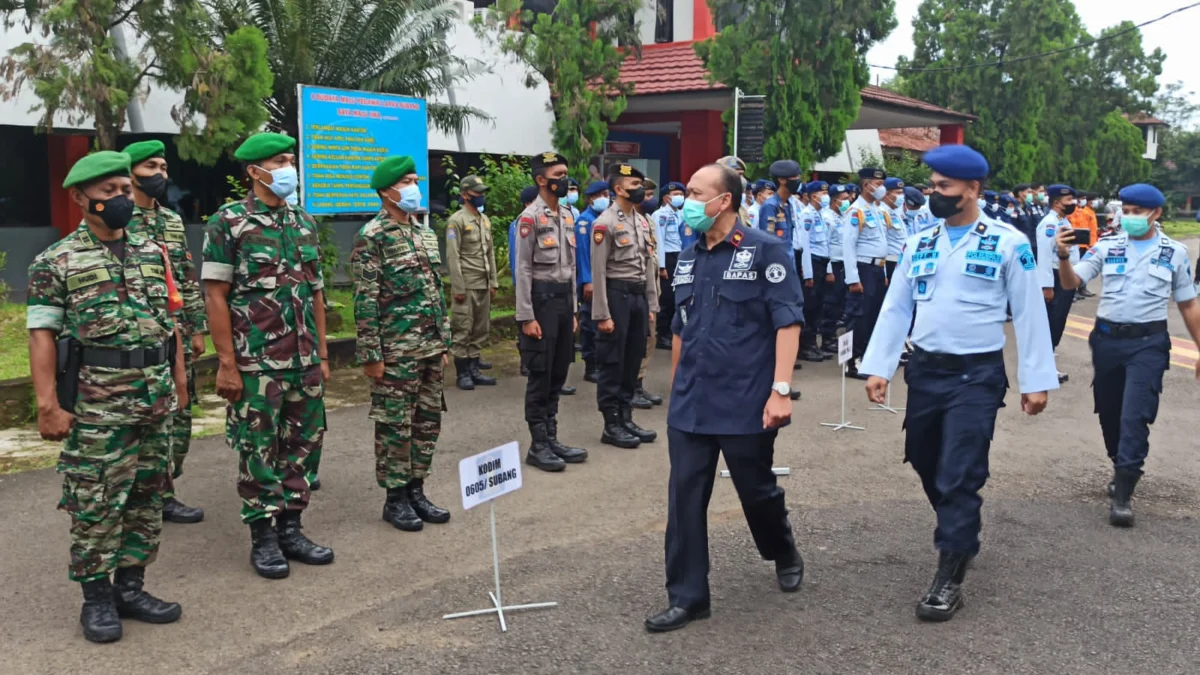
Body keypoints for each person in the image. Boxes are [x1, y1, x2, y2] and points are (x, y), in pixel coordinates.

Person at [860, 144, 1057, 623]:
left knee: (959, 472)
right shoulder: (919, 242)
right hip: (926, 372)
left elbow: (1031, 313)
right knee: (927, 461)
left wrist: (1036, 381)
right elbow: (896, 308)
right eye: (932, 186)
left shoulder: (1009, 243)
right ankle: (961, 527)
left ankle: (949, 576)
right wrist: (879, 366)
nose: (935, 194)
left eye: (944, 187)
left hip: (977, 375)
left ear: (972, 189)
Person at [27, 151, 189, 643]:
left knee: (146, 496)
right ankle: (96, 600)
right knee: (96, 503)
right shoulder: (56, 261)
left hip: (155, 397)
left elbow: (171, 323)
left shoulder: (151, 251)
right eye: (108, 193)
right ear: (80, 199)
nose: (121, 199)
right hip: (98, 406)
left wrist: (180, 383)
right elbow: (41, 337)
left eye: (124, 189)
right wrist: (48, 405)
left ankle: (131, 588)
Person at [644, 162, 805, 634]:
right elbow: (680, 329)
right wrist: (676, 389)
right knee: (684, 497)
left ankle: (782, 548)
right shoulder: (689, 255)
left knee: (756, 491)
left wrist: (780, 390)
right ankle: (689, 597)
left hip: (746, 399)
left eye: (695, 192)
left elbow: (787, 322)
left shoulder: (765, 250)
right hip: (692, 400)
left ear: (724, 201)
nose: (686, 200)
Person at [202, 132, 334, 579]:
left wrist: (322, 353)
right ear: (255, 171)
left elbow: (315, 293)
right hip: (256, 363)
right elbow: (215, 296)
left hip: (303, 360)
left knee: (303, 446)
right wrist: (226, 363)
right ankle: (263, 537)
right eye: (280, 161)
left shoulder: (303, 221)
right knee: (258, 449)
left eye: (290, 160)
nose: (288, 169)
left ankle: (292, 528)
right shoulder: (229, 223)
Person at [1054, 183, 1200, 527]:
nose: (1130, 217)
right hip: (1106, 340)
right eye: (1127, 210)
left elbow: (1188, 303)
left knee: (1136, 413)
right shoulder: (1107, 246)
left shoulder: (1174, 253)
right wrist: (1062, 256)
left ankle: (1124, 491)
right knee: (1109, 411)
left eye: (1137, 211)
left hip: (1148, 343)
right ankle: (1120, 461)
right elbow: (1071, 282)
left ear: (1156, 214)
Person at [349, 155, 453, 531]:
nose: (414, 187)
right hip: (395, 352)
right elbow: (365, 299)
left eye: (415, 180)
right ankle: (395, 499)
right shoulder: (372, 237)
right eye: (407, 181)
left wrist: (443, 343)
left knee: (427, 422)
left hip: (429, 348)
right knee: (396, 426)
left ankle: (416, 489)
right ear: (386, 191)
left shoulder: (423, 232)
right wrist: (372, 355)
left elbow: (435, 291)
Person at [120, 140, 207, 525]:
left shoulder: (171, 221)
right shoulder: (118, 220)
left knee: (181, 417)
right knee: (142, 419)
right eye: (152, 166)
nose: (161, 175)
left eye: (164, 167)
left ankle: (165, 489)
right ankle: (138, 496)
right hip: (137, 340)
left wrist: (197, 327)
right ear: (131, 174)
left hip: (179, 335)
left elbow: (187, 279)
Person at [515, 152, 588, 472]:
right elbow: (523, 270)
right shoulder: (530, 218)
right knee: (540, 374)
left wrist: (573, 310)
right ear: (541, 180)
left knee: (559, 371)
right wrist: (526, 316)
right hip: (540, 303)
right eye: (558, 174)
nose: (566, 179)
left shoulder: (569, 215)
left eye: (566, 173)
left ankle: (552, 436)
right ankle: (538, 443)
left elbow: (570, 267)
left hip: (562, 303)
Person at [592, 163, 659, 448]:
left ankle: (626, 417)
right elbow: (598, 272)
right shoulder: (604, 223)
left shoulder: (642, 221)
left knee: (633, 359)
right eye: (634, 186)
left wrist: (652, 304)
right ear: (618, 189)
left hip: (638, 297)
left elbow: (648, 265)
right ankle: (611, 423)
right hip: (615, 295)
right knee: (613, 361)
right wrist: (602, 313)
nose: (640, 190)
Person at [446, 175, 499, 391]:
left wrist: (493, 281)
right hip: (466, 284)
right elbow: (453, 255)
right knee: (462, 328)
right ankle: (463, 373)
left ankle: (475, 368)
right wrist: (458, 286)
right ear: (465, 194)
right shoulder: (456, 221)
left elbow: (491, 253)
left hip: (483, 283)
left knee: (480, 328)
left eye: (482, 192)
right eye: (477, 192)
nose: (481, 196)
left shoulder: (484, 219)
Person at [842, 167, 892, 379]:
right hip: (863, 269)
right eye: (878, 185)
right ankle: (851, 361)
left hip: (878, 268)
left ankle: (867, 357)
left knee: (873, 315)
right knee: (859, 316)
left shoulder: (878, 211)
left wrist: (886, 271)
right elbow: (848, 246)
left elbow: (884, 243)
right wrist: (853, 278)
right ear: (866, 185)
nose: (881, 189)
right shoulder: (856, 211)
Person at [1035, 184, 1078, 384]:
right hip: (1054, 276)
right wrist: (1046, 285)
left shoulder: (1063, 220)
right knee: (1052, 321)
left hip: (1064, 275)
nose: (1073, 203)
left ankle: (1048, 363)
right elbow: (1043, 255)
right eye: (1069, 200)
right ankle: (1045, 368)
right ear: (1056, 202)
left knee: (1058, 321)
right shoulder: (1049, 224)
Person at [576, 181, 609, 384]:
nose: (606, 198)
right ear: (590, 199)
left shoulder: (605, 219)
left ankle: (601, 362)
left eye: (607, 194)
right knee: (589, 324)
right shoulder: (584, 221)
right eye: (601, 195)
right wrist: (587, 281)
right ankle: (590, 365)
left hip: (605, 279)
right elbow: (582, 254)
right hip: (591, 281)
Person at [818, 183, 852, 356]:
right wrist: (829, 269)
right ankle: (827, 338)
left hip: (843, 264)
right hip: (833, 264)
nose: (849, 201)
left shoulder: (842, 216)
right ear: (835, 200)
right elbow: (826, 245)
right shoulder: (826, 218)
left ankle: (831, 336)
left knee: (839, 302)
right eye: (845, 199)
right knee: (830, 303)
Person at [799, 181, 832, 360]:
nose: (825, 196)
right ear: (813, 196)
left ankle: (814, 344)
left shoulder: (821, 215)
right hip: (812, 263)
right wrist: (808, 273)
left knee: (818, 305)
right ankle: (806, 346)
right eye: (822, 193)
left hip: (822, 262)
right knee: (809, 306)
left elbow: (825, 243)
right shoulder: (807, 215)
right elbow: (804, 245)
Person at [653, 182, 686, 352]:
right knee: (666, 297)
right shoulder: (660, 215)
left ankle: (672, 332)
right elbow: (658, 240)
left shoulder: (680, 214)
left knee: (677, 296)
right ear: (666, 197)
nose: (680, 197)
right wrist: (661, 266)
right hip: (667, 257)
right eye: (676, 194)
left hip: (679, 255)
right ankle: (662, 334)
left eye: (682, 193)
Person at [1067, 192, 1098, 300]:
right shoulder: (1072, 211)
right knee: (1074, 268)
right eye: (1082, 198)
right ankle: (1073, 290)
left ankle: (1082, 288)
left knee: (1083, 267)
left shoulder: (1085, 211)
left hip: (1086, 243)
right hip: (1075, 243)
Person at [882, 177, 908, 283]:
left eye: (902, 193)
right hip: (890, 262)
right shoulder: (882, 213)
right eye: (898, 193)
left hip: (900, 261)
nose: (901, 196)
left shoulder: (895, 212)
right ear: (887, 194)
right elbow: (881, 243)